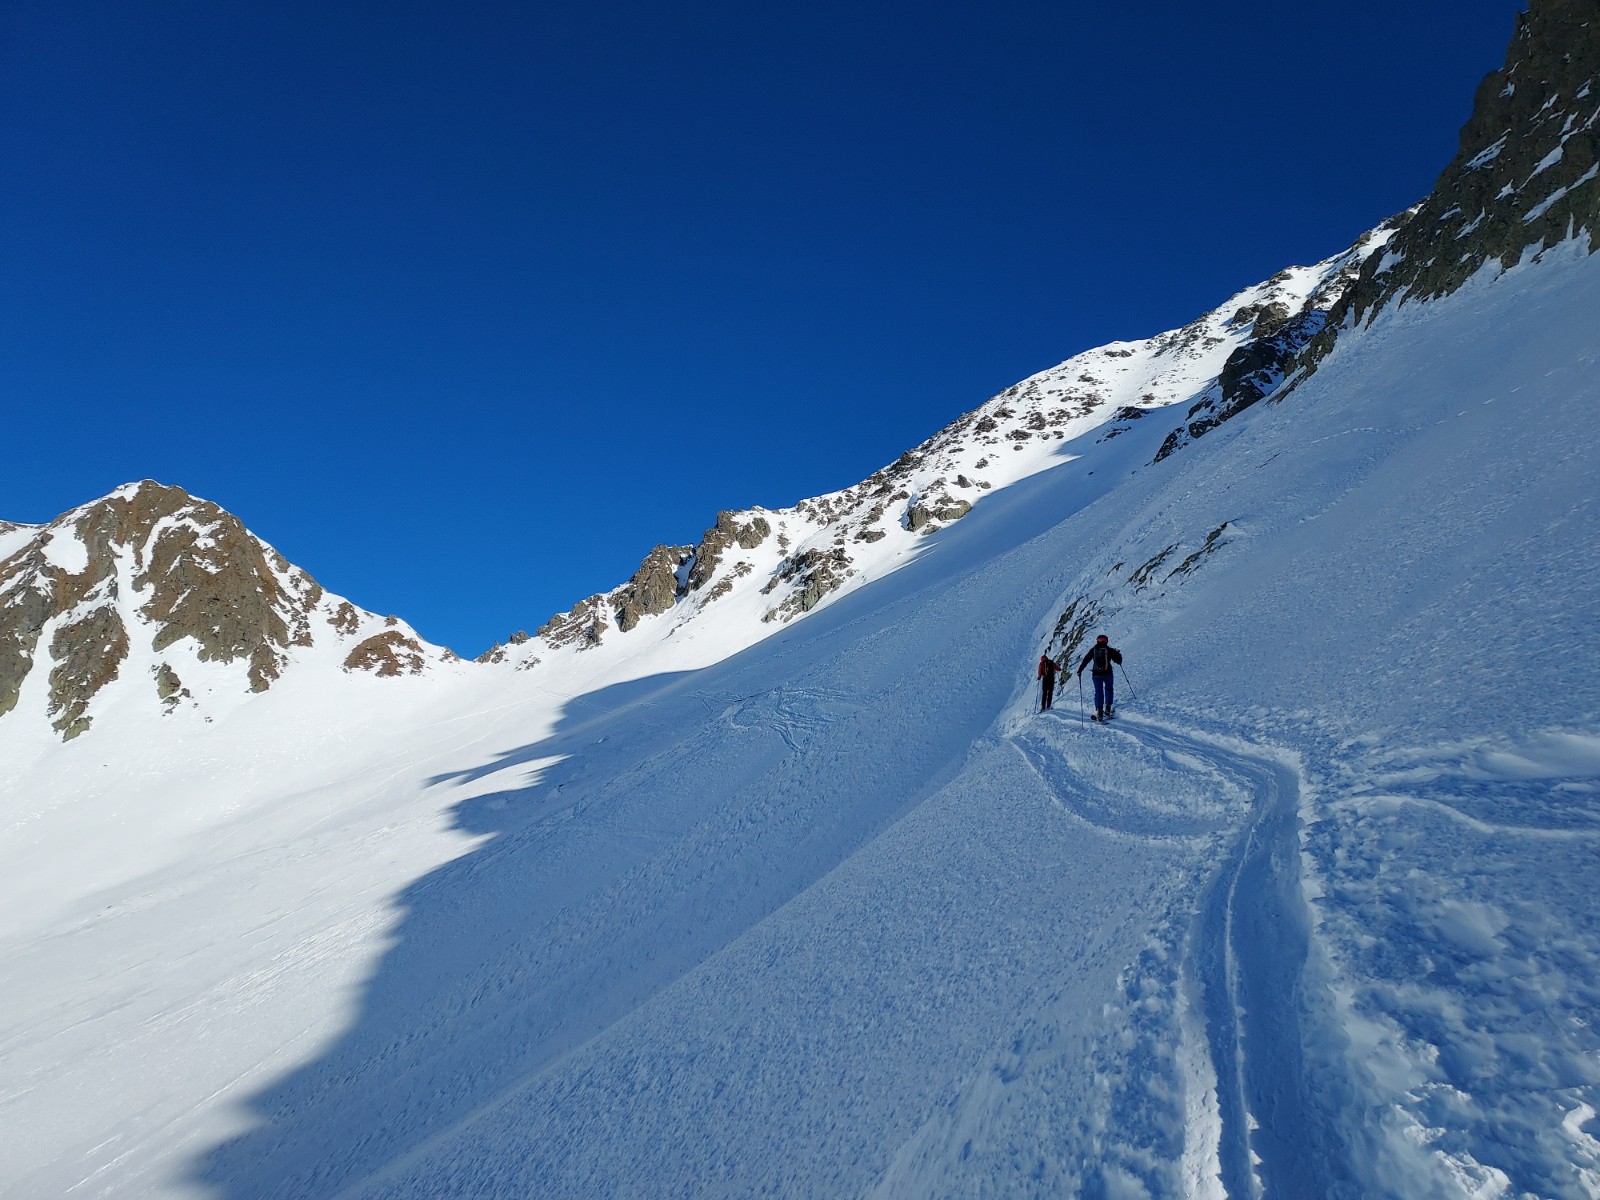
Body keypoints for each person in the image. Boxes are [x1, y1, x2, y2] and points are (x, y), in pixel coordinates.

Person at [1077, 634, 1123, 721]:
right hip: (1108, 673)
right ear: (1106, 641)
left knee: (1098, 692)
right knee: (1109, 689)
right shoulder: (1109, 650)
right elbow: (1119, 661)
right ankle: (1108, 709)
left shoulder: (1094, 650)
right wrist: (1117, 654)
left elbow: (1086, 660)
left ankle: (1099, 712)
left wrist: (1080, 670)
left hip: (1096, 675)